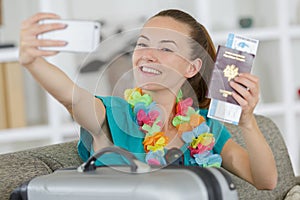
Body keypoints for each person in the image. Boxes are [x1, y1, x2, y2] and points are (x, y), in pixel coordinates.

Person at [19, 9, 277, 190]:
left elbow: (265, 181)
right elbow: (69, 96)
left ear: (191, 67)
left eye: (166, 48)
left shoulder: (204, 126)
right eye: (142, 44)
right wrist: (33, 62)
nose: (147, 55)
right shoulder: (112, 115)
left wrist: (247, 122)